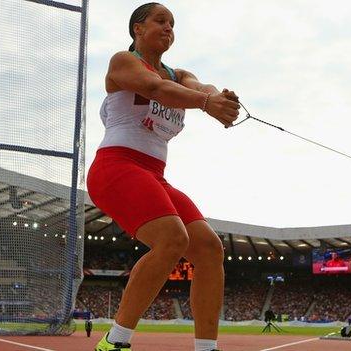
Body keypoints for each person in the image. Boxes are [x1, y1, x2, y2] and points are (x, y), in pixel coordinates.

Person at [88, 3, 240, 351]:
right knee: (172, 237)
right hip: (116, 167)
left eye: (172, 23)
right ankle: (114, 342)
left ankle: (206, 348)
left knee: (208, 248)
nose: (168, 27)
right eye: (160, 21)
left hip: (155, 175)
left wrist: (221, 100)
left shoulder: (180, 75)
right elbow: (153, 88)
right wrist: (205, 103)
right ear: (137, 29)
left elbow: (203, 86)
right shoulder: (123, 62)